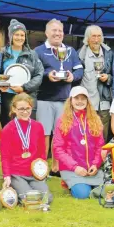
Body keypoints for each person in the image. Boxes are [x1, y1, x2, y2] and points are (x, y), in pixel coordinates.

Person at [35, 18, 84, 173]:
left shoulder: (70, 51)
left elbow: (79, 70)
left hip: (64, 99)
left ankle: (56, 167)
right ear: (47, 33)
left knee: (61, 135)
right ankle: (42, 167)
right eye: (54, 30)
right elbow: (34, 72)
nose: (57, 33)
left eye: (60, 31)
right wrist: (47, 74)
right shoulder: (38, 51)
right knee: (44, 134)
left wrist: (72, 77)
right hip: (44, 98)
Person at [53, 86, 104, 199]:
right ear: (70, 100)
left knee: (105, 191)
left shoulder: (95, 119)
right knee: (83, 194)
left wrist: (95, 164)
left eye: (83, 98)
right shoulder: (62, 120)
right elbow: (58, 148)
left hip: (91, 168)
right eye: (76, 98)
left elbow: (100, 146)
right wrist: (75, 167)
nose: (80, 101)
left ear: (87, 101)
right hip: (72, 168)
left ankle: (85, 184)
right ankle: (70, 182)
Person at [0, 93, 52, 203]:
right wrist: (7, 176)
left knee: (47, 198)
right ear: (14, 109)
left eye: (28, 108)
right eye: (21, 109)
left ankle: (24, 190)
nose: (25, 112)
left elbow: (41, 152)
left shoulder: (38, 127)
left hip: (33, 173)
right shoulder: (8, 129)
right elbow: (5, 156)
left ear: (31, 107)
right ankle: (16, 189)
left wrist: (41, 171)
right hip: (16, 173)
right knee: (28, 197)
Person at [0, 19, 44, 125]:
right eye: (16, 34)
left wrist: (24, 88)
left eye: (22, 35)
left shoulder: (32, 54)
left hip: (27, 96)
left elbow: (39, 74)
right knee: (9, 127)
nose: (19, 38)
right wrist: (1, 84)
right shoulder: (2, 53)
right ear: (11, 36)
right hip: (8, 97)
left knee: (27, 129)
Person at [78, 25, 114, 142]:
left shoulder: (109, 53)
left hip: (104, 101)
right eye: (93, 36)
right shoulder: (80, 55)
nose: (96, 39)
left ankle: (101, 159)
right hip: (86, 102)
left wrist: (108, 77)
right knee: (86, 134)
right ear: (87, 38)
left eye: (99, 36)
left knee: (102, 135)